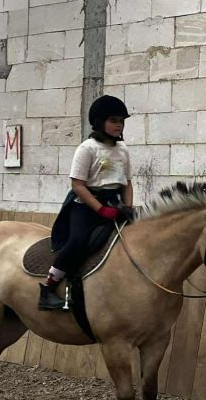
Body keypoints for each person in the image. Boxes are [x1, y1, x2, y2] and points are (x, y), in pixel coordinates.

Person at [38, 95, 134, 311]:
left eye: (121, 121)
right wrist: (101, 210)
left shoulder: (123, 149)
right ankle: (48, 288)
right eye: (114, 120)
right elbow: (78, 184)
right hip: (86, 205)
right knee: (77, 241)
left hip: (115, 204)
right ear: (100, 122)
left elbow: (127, 183)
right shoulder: (87, 148)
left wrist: (128, 207)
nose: (119, 125)